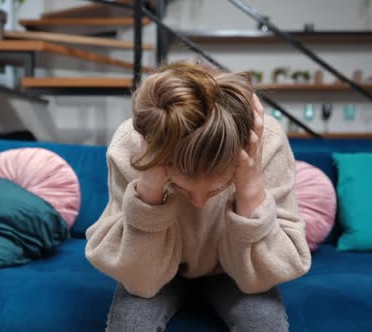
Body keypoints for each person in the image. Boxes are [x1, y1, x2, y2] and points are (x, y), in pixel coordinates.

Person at [85, 61, 311, 332]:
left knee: (265, 325)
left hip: (234, 272)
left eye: (217, 188)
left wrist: (249, 187)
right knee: (130, 326)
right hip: (159, 270)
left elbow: (265, 276)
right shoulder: (133, 144)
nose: (199, 202)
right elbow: (140, 280)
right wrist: (150, 188)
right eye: (181, 187)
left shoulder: (266, 143)